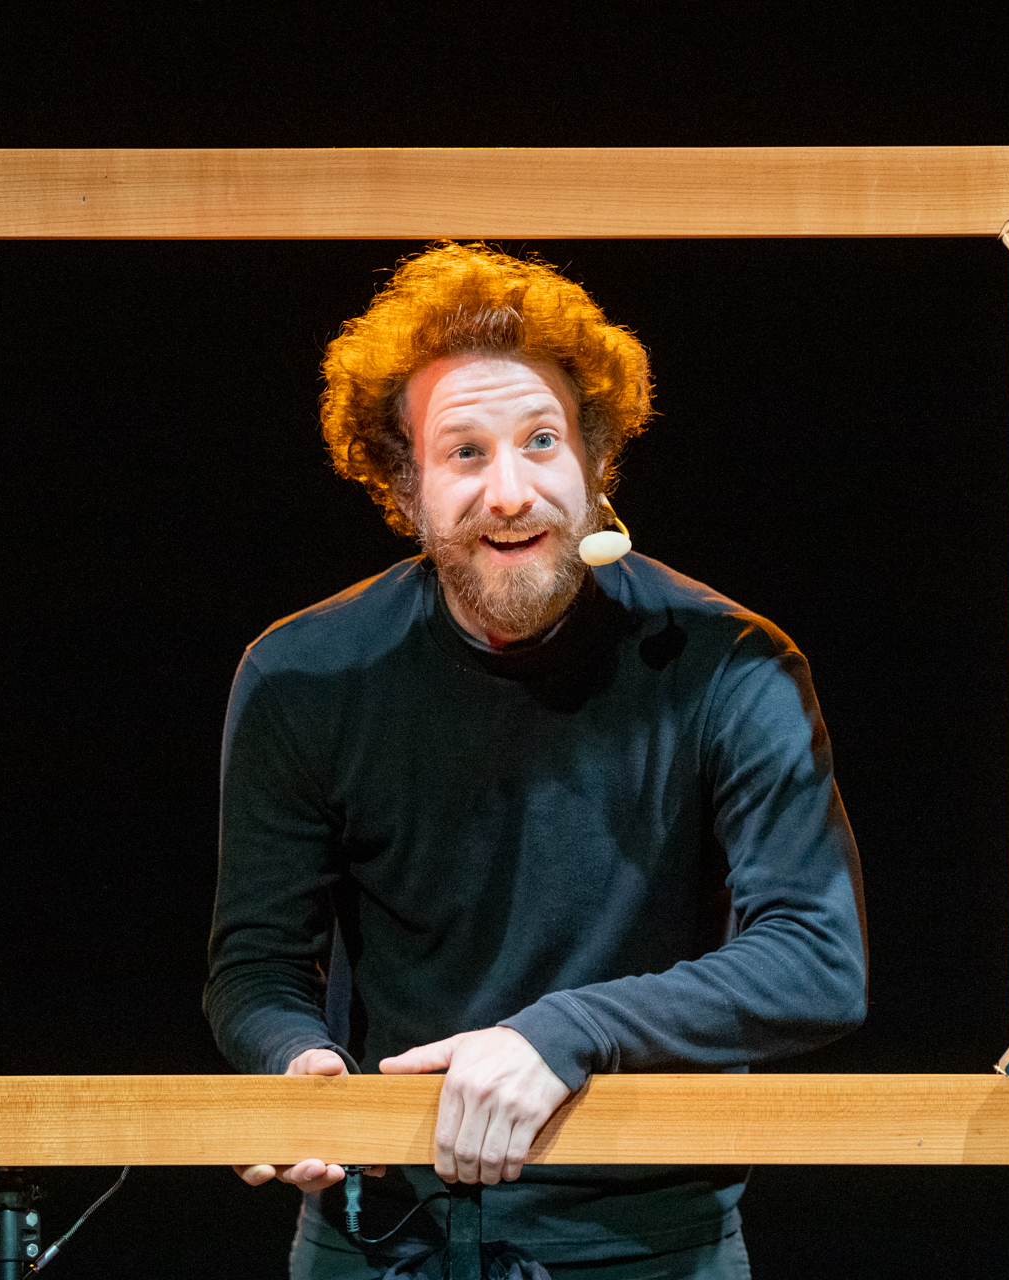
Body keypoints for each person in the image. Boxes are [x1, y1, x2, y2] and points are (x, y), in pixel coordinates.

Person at [204, 242, 867, 1279]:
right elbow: (255, 966)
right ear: (404, 482)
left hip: (650, 1245)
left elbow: (817, 961)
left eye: (542, 441)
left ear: (597, 460)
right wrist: (300, 1065)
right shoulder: (303, 674)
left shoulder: (728, 662)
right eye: (465, 451)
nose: (510, 490)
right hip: (383, 1240)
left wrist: (563, 1031)